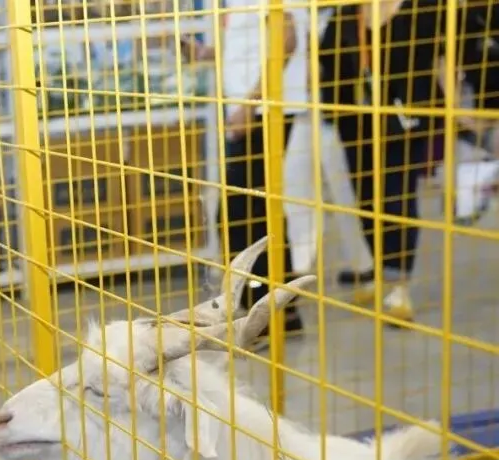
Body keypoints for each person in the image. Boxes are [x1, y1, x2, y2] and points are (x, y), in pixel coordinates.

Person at [183, 0, 312, 337]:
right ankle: (279, 310)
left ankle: (272, 312)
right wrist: (207, 53)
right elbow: (254, 44)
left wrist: (249, 105)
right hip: (252, 110)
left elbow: (285, 40)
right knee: (254, 210)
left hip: (264, 112)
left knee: (241, 213)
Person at [318, 0, 447, 324]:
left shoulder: (423, 8)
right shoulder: (345, 13)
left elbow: (443, 57)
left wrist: (455, 106)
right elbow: (327, 65)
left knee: (398, 200)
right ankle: (382, 272)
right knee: (367, 202)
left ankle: (399, 286)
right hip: (356, 125)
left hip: (405, 122)